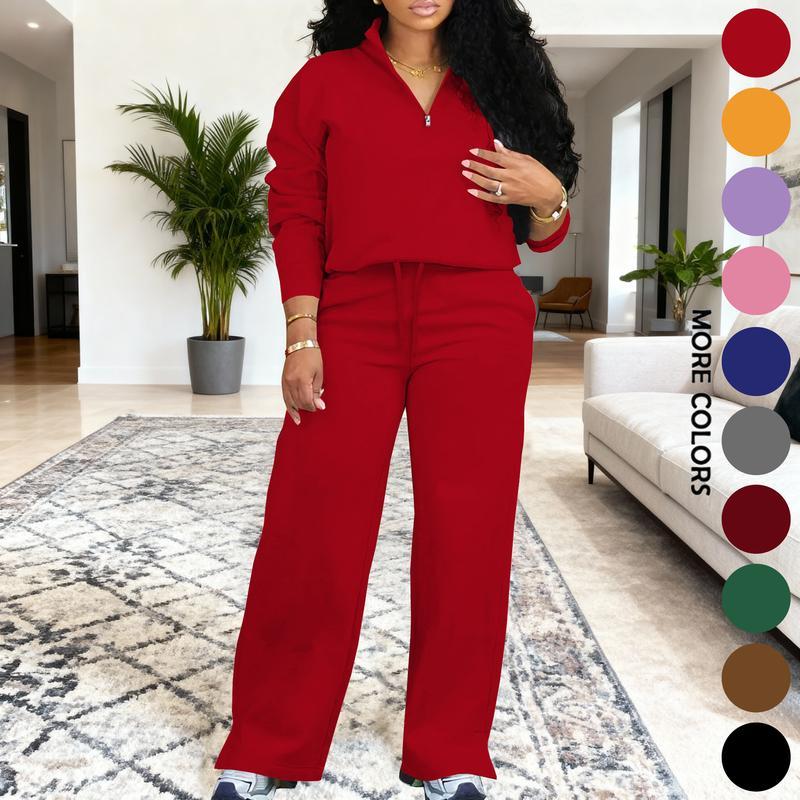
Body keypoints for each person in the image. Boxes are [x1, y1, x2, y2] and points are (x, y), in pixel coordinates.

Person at [212, 1, 580, 798]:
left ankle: (449, 749)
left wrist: (550, 196)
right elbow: (296, 209)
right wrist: (302, 332)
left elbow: (542, 230)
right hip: (353, 315)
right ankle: (270, 740)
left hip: (477, 315)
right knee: (312, 523)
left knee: (469, 531)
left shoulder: (501, 79)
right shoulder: (323, 84)